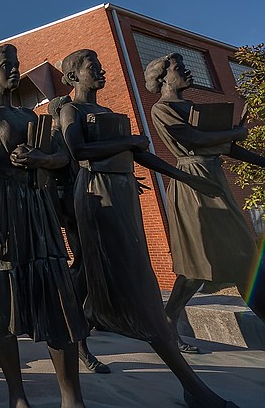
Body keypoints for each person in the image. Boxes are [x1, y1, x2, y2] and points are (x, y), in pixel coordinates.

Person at [59, 48, 237, 408]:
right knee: (138, 282)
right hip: (98, 195)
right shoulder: (71, 111)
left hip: (123, 192)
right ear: (74, 76)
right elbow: (78, 150)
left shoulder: (107, 112)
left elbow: (140, 154)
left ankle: (87, 318)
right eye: (93, 67)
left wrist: (186, 178)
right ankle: (191, 385)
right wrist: (131, 141)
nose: (101, 70)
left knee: (111, 277)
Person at [0, 44, 87, 408]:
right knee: (3, 309)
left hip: (37, 212)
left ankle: (72, 398)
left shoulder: (31, 116)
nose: (15, 69)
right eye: (7, 65)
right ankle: (17, 396)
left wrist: (39, 158)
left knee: (58, 303)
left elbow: (61, 157)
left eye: (17, 64)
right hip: (1, 214)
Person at [144, 53, 265, 352]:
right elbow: (192, 139)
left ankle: (168, 318)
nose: (187, 71)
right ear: (163, 78)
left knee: (243, 255)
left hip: (214, 178)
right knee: (197, 263)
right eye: (179, 68)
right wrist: (235, 131)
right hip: (193, 183)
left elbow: (225, 147)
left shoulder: (193, 107)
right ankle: (168, 319)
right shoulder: (162, 109)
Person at [45, 95, 111, 374]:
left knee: (97, 261)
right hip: (71, 204)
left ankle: (93, 315)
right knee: (83, 263)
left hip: (88, 197)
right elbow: (51, 177)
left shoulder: (70, 135)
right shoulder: (54, 137)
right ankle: (78, 335)